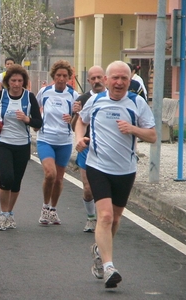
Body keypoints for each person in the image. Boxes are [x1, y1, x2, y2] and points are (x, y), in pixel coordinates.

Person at [75, 60, 156, 289]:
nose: (119, 82)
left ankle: (99, 250)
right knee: (106, 216)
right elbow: (81, 122)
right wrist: (78, 139)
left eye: (124, 78)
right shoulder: (96, 100)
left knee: (116, 218)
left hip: (125, 169)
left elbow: (152, 136)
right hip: (98, 166)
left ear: (129, 81)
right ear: (107, 80)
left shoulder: (136, 102)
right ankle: (109, 266)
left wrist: (133, 129)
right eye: (115, 78)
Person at [0, 64, 42, 230]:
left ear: (24, 82)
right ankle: (3, 214)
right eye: (13, 80)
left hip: (22, 144)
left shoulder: (29, 97)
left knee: (16, 182)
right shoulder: (1, 95)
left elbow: (39, 122)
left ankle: (10, 213)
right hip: (2, 143)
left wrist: (27, 120)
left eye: (19, 81)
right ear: (7, 82)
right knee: (6, 178)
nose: (16, 84)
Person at [36, 60, 79, 225]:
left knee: (59, 179)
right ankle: (45, 207)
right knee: (50, 174)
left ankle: (53, 209)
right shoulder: (44, 92)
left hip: (64, 141)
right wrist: (35, 122)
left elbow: (78, 119)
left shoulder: (73, 95)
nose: (61, 79)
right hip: (45, 139)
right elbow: (35, 108)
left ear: (69, 77)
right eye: (58, 75)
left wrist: (72, 118)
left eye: (65, 76)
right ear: (53, 76)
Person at [71, 65, 107, 233]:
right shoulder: (83, 98)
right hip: (87, 147)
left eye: (99, 77)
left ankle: (105, 217)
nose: (97, 81)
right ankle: (91, 218)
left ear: (105, 78)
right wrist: (77, 114)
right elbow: (74, 126)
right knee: (88, 188)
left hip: (107, 149)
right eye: (93, 78)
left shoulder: (113, 97)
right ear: (88, 81)